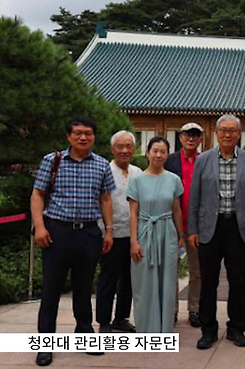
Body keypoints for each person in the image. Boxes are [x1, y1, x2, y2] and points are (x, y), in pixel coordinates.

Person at [31, 117, 115, 367]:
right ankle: (45, 344)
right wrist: (39, 227)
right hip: (57, 232)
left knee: (83, 287)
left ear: (94, 137)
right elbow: (37, 194)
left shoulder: (101, 164)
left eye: (88, 133)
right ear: (68, 136)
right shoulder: (53, 161)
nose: (83, 138)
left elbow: (106, 199)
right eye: (77, 133)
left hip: (88, 233)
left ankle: (85, 334)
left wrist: (108, 231)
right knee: (51, 290)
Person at [189, 114, 245, 350]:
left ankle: (236, 328)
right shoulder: (204, 160)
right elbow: (195, 197)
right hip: (210, 226)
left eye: (232, 130)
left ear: (239, 134)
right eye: (223, 130)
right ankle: (208, 329)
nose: (227, 134)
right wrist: (193, 229)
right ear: (216, 133)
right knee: (208, 281)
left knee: (237, 280)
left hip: (237, 227)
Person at [128, 136, 185, 333]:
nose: (158, 155)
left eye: (163, 151)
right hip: (145, 232)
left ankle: (164, 327)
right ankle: (145, 327)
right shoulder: (136, 180)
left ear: (167, 154)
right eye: (155, 150)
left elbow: (177, 209)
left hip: (167, 231)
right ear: (147, 153)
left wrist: (181, 235)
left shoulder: (174, 179)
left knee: (168, 281)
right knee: (144, 281)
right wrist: (133, 241)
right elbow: (133, 213)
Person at [96, 131, 141, 334]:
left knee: (129, 280)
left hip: (132, 236)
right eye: (120, 147)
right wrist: (106, 230)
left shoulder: (138, 172)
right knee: (108, 279)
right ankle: (104, 321)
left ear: (134, 148)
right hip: (110, 235)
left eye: (128, 146)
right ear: (112, 149)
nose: (124, 150)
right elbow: (100, 203)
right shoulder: (103, 170)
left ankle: (121, 318)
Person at [164, 122, 204, 327]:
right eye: (187, 135)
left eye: (195, 135)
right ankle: (171, 310)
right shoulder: (169, 161)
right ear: (180, 137)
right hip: (172, 225)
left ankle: (194, 309)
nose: (191, 139)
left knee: (197, 271)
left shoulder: (205, 161)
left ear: (200, 139)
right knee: (171, 270)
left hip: (196, 226)